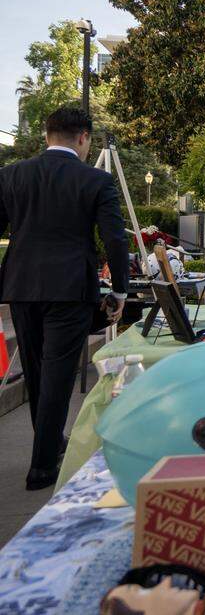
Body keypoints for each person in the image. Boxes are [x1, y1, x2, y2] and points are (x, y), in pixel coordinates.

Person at [0, 105, 128, 490]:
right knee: (58, 374)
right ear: (84, 138)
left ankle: (51, 442)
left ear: (46, 135)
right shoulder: (96, 181)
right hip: (71, 288)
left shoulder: (11, 175)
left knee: (38, 369)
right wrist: (119, 288)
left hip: (21, 287)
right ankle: (41, 468)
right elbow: (115, 238)